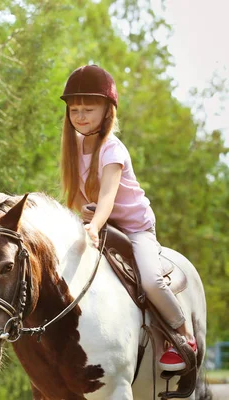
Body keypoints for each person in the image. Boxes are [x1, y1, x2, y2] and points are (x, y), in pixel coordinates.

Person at [58, 64, 196, 372]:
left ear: (107, 111)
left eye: (88, 109)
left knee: (151, 280)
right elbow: (78, 194)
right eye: (74, 110)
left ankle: (183, 334)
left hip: (135, 229)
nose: (80, 116)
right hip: (103, 224)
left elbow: (107, 195)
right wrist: (85, 214)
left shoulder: (112, 149)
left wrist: (93, 225)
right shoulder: (74, 147)